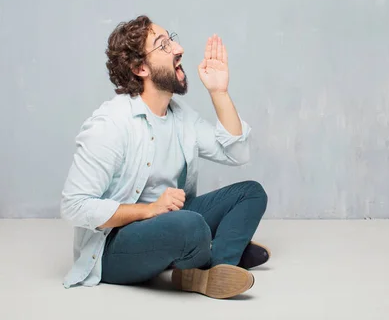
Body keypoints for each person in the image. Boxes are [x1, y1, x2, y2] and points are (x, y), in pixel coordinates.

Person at [60, 15, 269, 299]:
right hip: (114, 249)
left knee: (251, 194)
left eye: (172, 40)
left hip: (171, 223)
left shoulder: (180, 116)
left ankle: (220, 266)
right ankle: (222, 247)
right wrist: (149, 210)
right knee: (191, 226)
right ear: (140, 68)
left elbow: (237, 153)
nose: (179, 48)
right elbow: (73, 206)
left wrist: (219, 92)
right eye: (164, 45)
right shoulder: (110, 125)